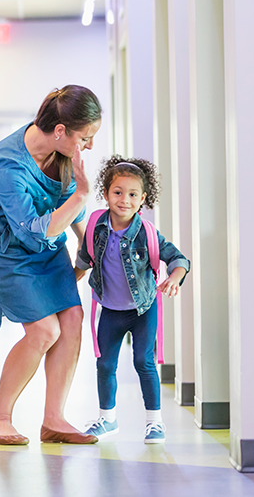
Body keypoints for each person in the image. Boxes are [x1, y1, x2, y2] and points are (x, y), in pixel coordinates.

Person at [0, 85, 102, 446]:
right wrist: (82, 194)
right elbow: (33, 230)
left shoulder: (61, 154)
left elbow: (72, 210)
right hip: (4, 252)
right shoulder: (6, 164)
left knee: (72, 319)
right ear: (60, 131)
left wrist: (90, 249)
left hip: (47, 244)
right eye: (85, 137)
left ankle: (54, 420)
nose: (89, 145)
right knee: (44, 331)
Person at [76, 156, 189, 444]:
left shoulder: (147, 233)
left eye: (132, 194)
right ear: (106, 194)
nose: (124, 200)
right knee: (104, 364)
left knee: (143, 362)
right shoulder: (96, 227)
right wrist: (63, 285)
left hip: (143, 310)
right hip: (110, 311)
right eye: (117, 192)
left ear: (143, 199)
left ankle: (155, 423)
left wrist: (174, 278)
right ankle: (107, 419)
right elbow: (84, 260)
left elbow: (178, 259)